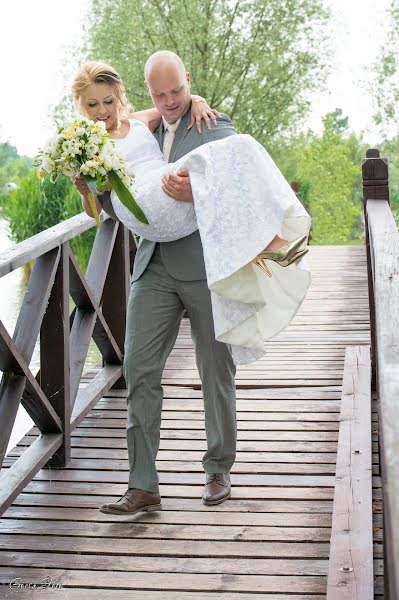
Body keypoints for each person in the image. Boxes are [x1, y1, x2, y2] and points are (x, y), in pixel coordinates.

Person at [71, 53, 311, 516]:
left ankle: (218, 467)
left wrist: (199, 192)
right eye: (160, 95)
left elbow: (239, 178)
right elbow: (106, 209)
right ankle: (142, 485)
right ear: (147, 93)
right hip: (152, 266)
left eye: (177, 92)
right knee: (139, 371)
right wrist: (86, 188)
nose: (169, 102)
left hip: (204, 264)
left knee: (215, 369)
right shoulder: (137, 127)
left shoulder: (211, 123)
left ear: (188, 84)